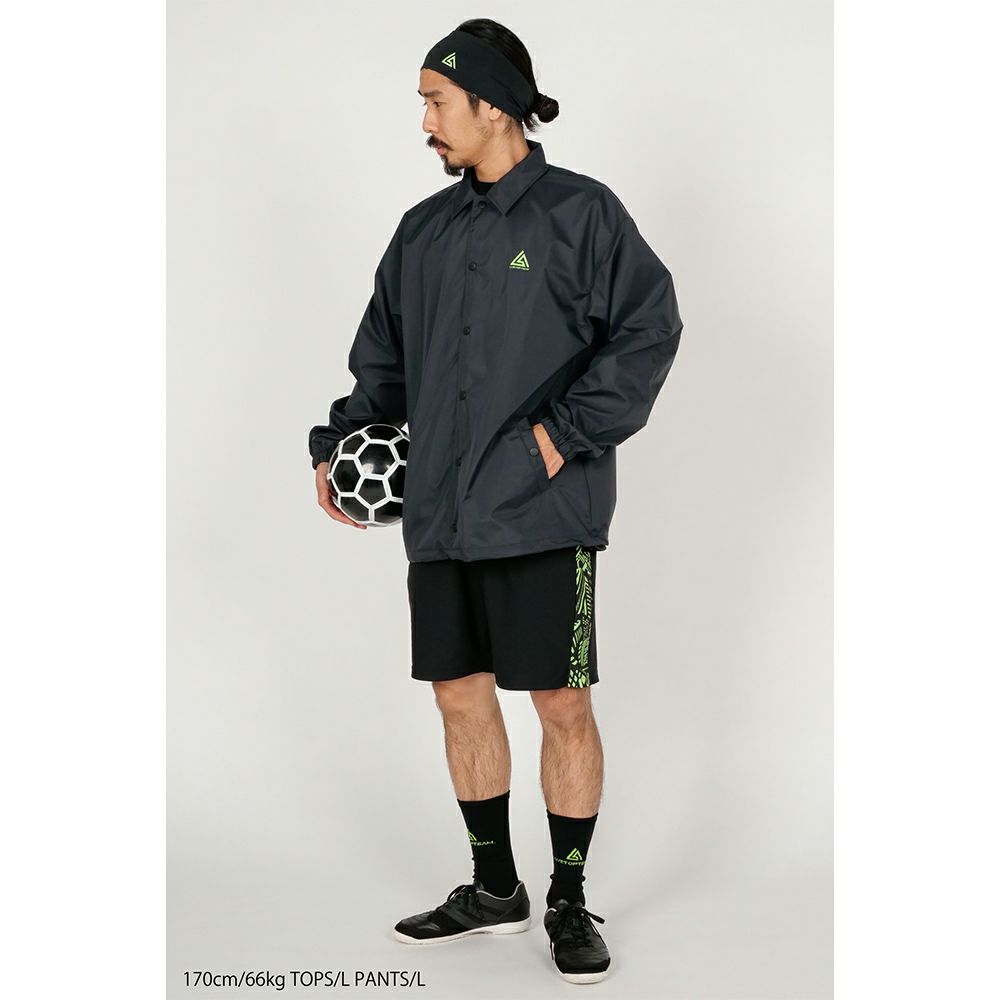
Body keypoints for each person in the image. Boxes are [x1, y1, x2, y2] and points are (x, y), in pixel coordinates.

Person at [308, 17, 683, 986]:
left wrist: (560, 436)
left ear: (494, 105)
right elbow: (382, 361)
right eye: (424, 104)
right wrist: (338, 444)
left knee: (559, 700)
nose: (425, 122)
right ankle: (493, 888)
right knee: (459, 694)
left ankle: (568, 897)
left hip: (542, 511)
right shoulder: (422, 232)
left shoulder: (582, 216)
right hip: (439, 512)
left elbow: (648, 328)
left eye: (438, 102)